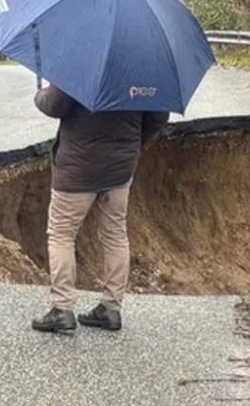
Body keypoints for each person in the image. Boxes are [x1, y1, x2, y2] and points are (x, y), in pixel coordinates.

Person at [31, 83, 168, 333]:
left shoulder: (83, 63)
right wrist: (131, 145)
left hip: (78, 169)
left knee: (61, 234)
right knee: (115, 234)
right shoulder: (145, 72)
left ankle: (62, 309)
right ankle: (111, 308)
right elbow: (158, 118)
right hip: (121, 167)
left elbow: (54, 105)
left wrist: (40, 94)